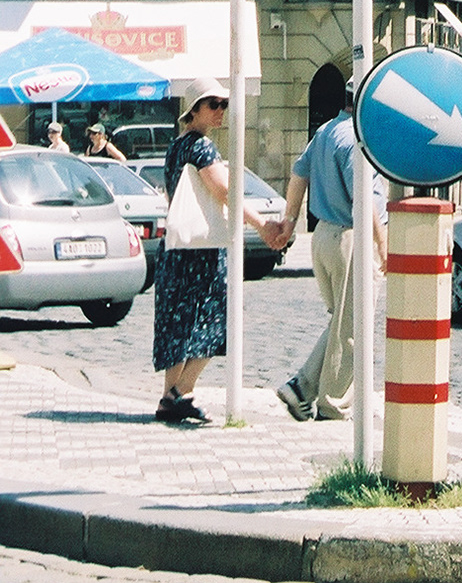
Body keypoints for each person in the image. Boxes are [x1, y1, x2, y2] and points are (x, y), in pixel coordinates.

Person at [153, 76, 278, 425]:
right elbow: (224, 191)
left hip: (179, 246)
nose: (221, 110)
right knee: (213, 319)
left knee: (179, 323)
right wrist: (261, 224)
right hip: (202, 250)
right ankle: (182, 392)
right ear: (194, 110)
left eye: (224, 104)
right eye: (213, 104)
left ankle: (169, 398)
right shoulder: (203, 147)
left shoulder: (176, 146)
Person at [272, 83, 386, 422]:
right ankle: (333, 404)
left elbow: (298, 174)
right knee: (353, 326)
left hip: (323, 235)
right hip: (351, 237)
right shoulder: (355, 140)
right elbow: (363, 197)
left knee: (342, 322)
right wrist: (383, 244)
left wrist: (290, 222)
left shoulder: (325, 131)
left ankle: (301, 388)